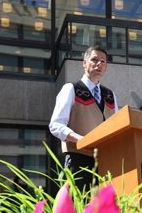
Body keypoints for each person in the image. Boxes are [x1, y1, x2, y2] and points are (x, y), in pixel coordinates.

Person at [49, 45, 119, 190]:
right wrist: (81, 139)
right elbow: (56, 125)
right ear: (84, 63)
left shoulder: (110, 95)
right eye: (94, 60)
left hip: (107, 163)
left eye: (103, 62)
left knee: (103, 211)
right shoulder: (71, 89)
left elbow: (117, 127)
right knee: (79, 209)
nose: (99, 64)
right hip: (78, 160)